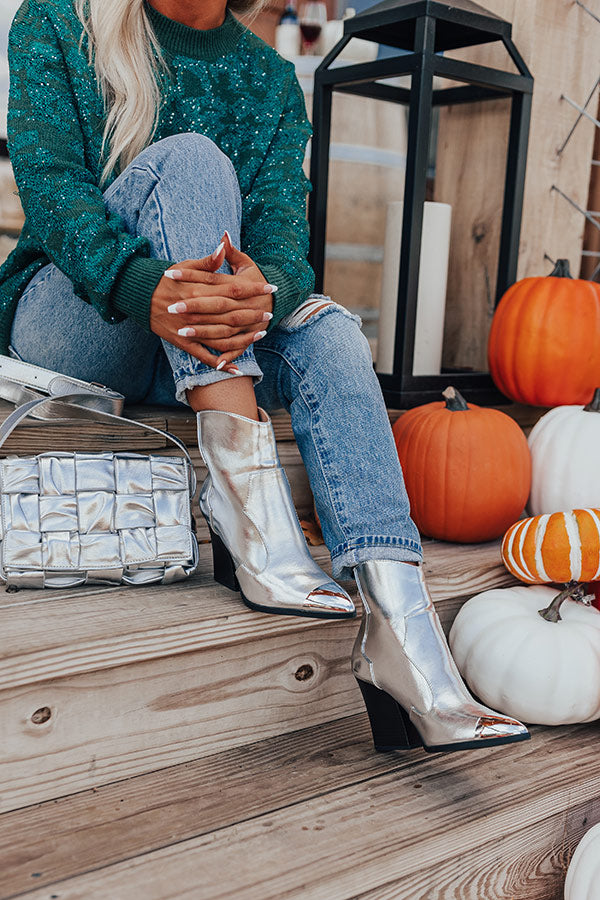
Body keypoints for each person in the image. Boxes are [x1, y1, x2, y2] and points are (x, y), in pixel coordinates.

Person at [0, 0, 529, 753]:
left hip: (189, 345)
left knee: (333, 331)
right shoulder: (58, 20)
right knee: (193, 162)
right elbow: (52, 189)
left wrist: (266, 289)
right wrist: (142, 283)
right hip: (75, 324)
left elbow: (282, 234)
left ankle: (403, 641)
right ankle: (249, 519)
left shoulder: (269, 77)